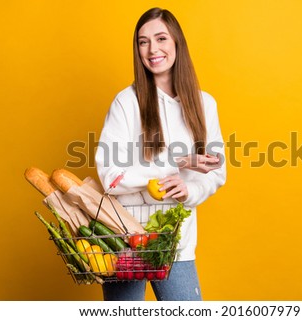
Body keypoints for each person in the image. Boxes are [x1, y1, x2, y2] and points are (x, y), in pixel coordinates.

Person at [95, 7, 226, 301]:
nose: (152, 49)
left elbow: (217, 173)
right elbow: (110, 177)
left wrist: (188, 188)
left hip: (177, 243)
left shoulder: (205, 105)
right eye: (143, 41)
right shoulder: (126, 103)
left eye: (161, 38)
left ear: (177, 42)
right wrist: (176, 162)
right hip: (124, 242)